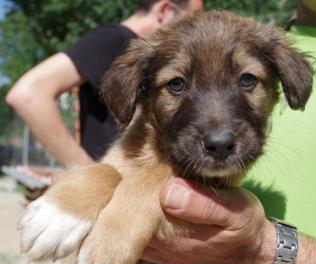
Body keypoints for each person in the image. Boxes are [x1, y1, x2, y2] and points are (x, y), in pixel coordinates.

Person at [142, 1, 316, 264]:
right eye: (176, 84)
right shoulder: (256, 42)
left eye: (247, 81)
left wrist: (262, 249)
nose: (219, 136)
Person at [5, 0, 204, 168]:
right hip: (108, 186)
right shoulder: (113, 40)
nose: (199, 27)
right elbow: (28, 94)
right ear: (165, 11)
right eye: (194, 16)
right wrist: (84, 172)